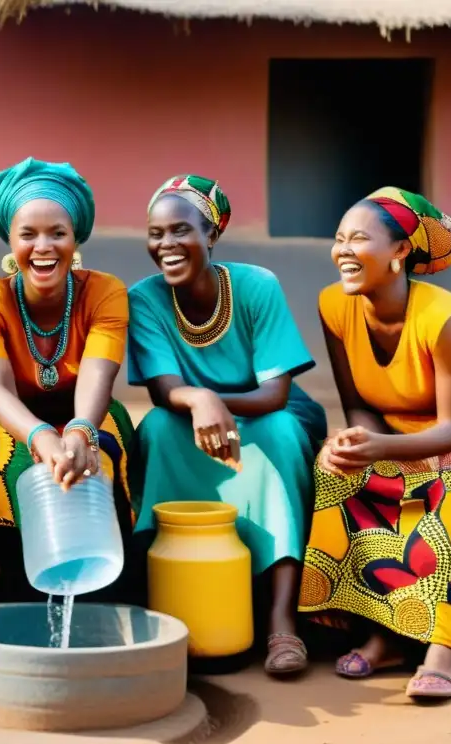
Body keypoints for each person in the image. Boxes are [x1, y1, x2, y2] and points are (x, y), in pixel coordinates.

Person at [298, 187, 451, 699]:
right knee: (334, 465)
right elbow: (358, 404)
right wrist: (358, 441)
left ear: (400, 252)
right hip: (404, 437)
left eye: (359, 238)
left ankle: (446, 651)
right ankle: (383, 633)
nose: (343, 250)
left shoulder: (443, 316)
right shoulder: (334, 305)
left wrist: (382, 449)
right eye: (339, 238)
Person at [127, 175, 327, 676]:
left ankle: (282, 621)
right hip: (187, 417)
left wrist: (216, 402)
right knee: (154, 429)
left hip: (267, 413)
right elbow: (161, 391)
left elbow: (275, 394)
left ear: (211, 234)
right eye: (155, 233)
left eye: (181, 230)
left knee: (279, 435)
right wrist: (200, 400)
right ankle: (168, 602)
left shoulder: (257, 286)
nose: (166, 245)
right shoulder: (146, 298)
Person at [0, 157, 136, 606]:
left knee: (101, 454)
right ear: (9, 242)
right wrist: (38, 436)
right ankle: (10, 591)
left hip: (87, 408)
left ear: (76, 239)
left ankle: (102, 592)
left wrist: (79, 431)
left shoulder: (105, 292)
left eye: (58, 233)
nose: (43, 247)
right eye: (27, 235)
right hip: (7, 413)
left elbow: (98, 373)